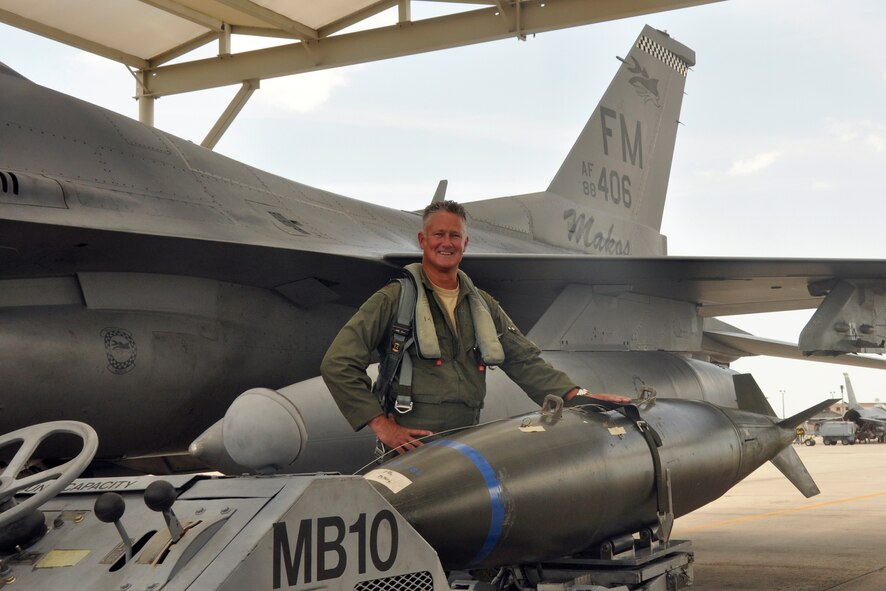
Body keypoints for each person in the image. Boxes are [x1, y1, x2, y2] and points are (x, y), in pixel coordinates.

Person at [321, 200, 629, 454]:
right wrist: (383, 426)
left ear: (465, 243)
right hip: (411, 447)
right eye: (438, 235)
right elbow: (338, 363)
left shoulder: (483, 305)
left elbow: (524, 361)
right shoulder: (395, 299)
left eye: (455, 236)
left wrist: (579, 395)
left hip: (466, 442)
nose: (446, 243)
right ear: (422, 240)